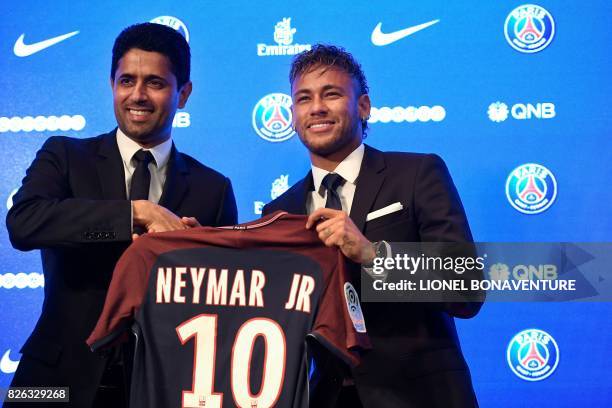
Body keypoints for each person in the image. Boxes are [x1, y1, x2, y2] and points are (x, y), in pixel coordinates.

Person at [5, 23, 237, 407]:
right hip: (50, 383)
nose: (138, 95)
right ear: (111, 84)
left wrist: (195, 253)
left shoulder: (213, 187)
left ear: (184, 94)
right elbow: (24, 223)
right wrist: (135, 213)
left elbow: (225, 298)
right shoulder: (64, 155)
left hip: (161, 387)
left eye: (155, 83)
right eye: (126, 80)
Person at [263, 44, 481, 408]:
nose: (316, 107)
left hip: (421, 397)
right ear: (292, 114)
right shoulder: (279, 211)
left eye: (331, 94)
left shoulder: (416, 174)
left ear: (363, 106)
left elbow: (466, 288)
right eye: (304, 98)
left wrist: (371, 254)